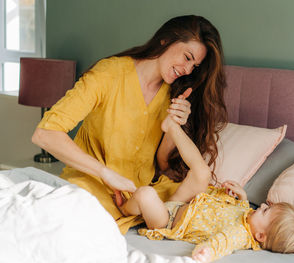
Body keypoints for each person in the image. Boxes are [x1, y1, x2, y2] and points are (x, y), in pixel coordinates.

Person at [31, 15, 227, 234]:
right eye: (187, 57)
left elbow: (162, 165)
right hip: (94, 188)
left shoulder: (171, 94)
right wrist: (105, 173)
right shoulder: (109, 74)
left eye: (194, 65)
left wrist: (174, 126)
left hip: (139, 197)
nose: (188, 69)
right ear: (166, 39)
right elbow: (45, 134)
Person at [119, 114, 294, 263]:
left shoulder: (240, 235)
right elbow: (242, 209)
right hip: (183, 204)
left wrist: (207, 253)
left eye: (265, 211)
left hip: (168, 221)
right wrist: (242, 198)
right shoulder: (249, 217)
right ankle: (171, 127)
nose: (260, 206)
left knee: (145, 194)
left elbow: (223, 242)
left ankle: (125, 209)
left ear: (260, 236)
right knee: (202, 172)